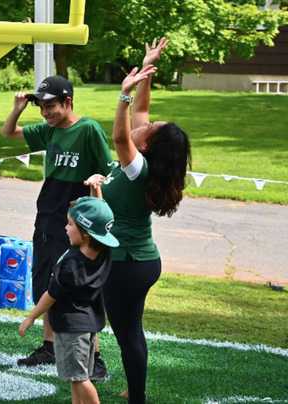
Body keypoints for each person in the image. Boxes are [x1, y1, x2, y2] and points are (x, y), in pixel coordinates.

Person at [84, 38, 192, 404]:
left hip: (129, 262)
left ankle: (137, 399)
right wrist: (146, 71)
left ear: (147, 145)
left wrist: (123, 95)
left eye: (151, 126)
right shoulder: (145, 160)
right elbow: (143, 112)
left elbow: (119, 134)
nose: (145, 122)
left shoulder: (137, 168)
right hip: (136, 260)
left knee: (128, 332)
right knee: (131, 330)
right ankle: (136, 385)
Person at [0, 75, 113, 378]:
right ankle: (49, 346)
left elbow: (108, 170)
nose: (46, 112)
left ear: (68, 102)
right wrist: (18, 108)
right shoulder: (49, 131)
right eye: (42, 107)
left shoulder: (88, 129)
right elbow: (8, 132)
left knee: (77, 286)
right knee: (47, 281)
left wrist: (98, 186)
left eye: (50, 105)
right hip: (48, 216)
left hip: (78, 221)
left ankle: (95, 357)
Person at [19, 196, 118, 404]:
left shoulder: (71, 265)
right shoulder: (103, 254)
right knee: (77, 378)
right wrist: (94, 197)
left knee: (81, 379)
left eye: (71, 224)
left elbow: (51, 295)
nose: (65, 228)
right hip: (89, 325)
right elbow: (101, 222)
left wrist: (31, 318)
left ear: (86, 233)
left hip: (71, 328)